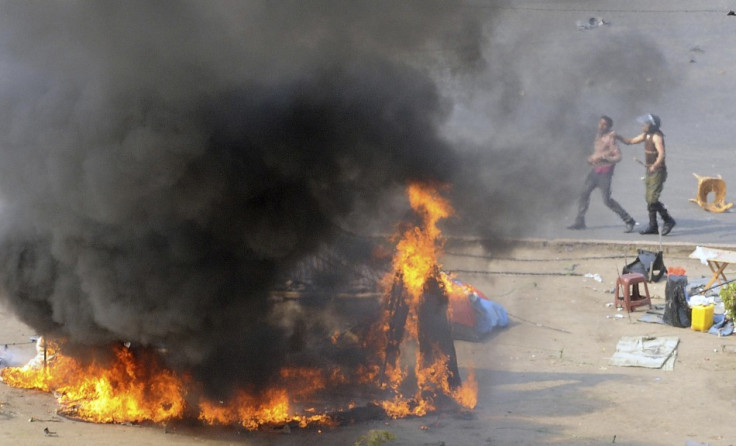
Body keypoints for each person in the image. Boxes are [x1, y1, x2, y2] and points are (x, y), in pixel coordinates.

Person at [567, 115, 636, 232]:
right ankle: (580, 221)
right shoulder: (597, 136)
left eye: (604, 124)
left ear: (609, 126)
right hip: (595, 171)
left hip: (605, 173)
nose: (601, 126)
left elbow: (618, 157)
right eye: (600, 123)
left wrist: (605, 157)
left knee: (607, 200)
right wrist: (591, 159)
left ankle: (629, 220)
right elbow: (596, 152)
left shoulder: (611, 138)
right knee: (584, 194)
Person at [617, 113, 676, 235]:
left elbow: (661, 154)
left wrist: (655, 165)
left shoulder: (656, 137)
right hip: (649, 171)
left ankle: (668, 220)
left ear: (651, 126)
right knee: (649, 199)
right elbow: (631, 141)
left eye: (645, 124)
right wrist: (617, 136)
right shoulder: (646, 135)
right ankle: (653, 226)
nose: (642, 126)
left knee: (652, 199)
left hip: (657, 172)